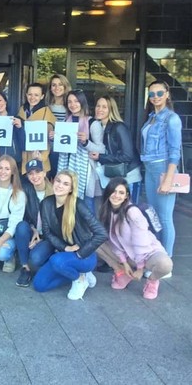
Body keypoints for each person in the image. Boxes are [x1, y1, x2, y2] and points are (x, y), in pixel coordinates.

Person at [32, 170, 108, 300]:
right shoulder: (46, 203)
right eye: (58, 181)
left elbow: (102, 233)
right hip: (63, 252)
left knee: (55, 260)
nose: (60, 185)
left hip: (84, 255)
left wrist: (80, 253)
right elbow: (47, 233)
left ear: (71, 189)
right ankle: (74, 272)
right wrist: (65, 247)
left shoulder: (79, 205)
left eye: (66, 184)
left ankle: (79, 279)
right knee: (39, 285)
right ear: (53, 181)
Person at [96, 177, 173, 299]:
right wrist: (124, 263)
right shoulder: (107, 211)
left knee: (165, 265)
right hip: (128, 255)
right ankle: (121, 272)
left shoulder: (132, 212)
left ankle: (152, 281)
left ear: (126, 196)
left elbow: (141, 242)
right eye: (113, 191)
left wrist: (140, 268)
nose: (116, 196)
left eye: (121, 193)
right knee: (94, 241)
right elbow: (114, 242)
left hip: (148, 254)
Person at [139, 81, 182, 258]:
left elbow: (175, 151)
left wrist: (168, 179)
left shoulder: (172, 118)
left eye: (159, 93)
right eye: (152, 94)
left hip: (163, 168)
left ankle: (166, 261)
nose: (155, 97)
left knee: (164, 217)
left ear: (167, 94)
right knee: (154, 215)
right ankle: (156, 257)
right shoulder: (151, 117)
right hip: (150, 168)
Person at [56, 90, 105, 211]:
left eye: (76, 101)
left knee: (86, 206)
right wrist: (53, 138)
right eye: (69, 102)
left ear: (82, 102)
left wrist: (86, 142)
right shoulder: (65, 122)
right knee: (67, 205)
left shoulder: (92, 123)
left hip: (86, 172)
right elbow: (61, 147)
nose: (73, 104)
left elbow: (101, 149)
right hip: (66, 169)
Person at [89, 95, 142, 205]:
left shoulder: (119, 127)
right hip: (114, 176)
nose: (100, 109)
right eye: (98, 106)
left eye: (104, 107)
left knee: (129, 210)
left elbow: (127, 155)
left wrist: (101, 157)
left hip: (129, 176)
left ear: (111, 109)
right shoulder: (99, 127)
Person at [15, 159, 54, 287]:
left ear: (44, 173)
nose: (34, 176)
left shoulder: (54, 191)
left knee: (36, 258)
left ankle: (48, 258)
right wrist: (33, 229)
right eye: (31, 173)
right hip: (33, 231)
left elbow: (57, 226)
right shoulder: (26, 190)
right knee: (21, 226)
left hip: (49, 237)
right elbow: (23, 216)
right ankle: (25, 268)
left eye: (38, 172)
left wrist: (40, 239)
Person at [17, 83, 56, 175]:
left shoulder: (46, 112)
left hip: (39, 159)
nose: (32, 97)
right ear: (26, 95)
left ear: (42, 96)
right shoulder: (22, 109)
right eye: (30, 94)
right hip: (23, 158)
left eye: (36, 95)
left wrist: (42, 157)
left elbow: (48, 140)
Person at [0, 92, 24, 169]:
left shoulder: (17, 120)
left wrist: (20, 128)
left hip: (15, 161)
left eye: (0, 100)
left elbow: (24, 144)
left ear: (5, 101)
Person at [46, 75, 71, 179]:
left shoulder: (71, 106)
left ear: (65, 86)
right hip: (49, 149)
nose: (57, 88)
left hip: (65, 149)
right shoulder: (46, 106)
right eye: (54, 85)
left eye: (60, 84)